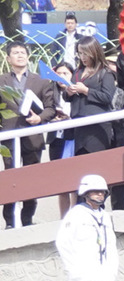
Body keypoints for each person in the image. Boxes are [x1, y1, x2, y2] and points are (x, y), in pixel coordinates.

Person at [1, 42, 57, 229]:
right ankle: (10, 220)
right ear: (8, 58)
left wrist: (39, 118)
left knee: (30, 177)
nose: (19, 55)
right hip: (9, 137)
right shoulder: (1, 81)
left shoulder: (41, 81)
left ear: (28, 56)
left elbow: (51, 108)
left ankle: (27, 219)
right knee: (10, 177)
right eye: (15, 53)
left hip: (33, 137)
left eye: (23, 52)